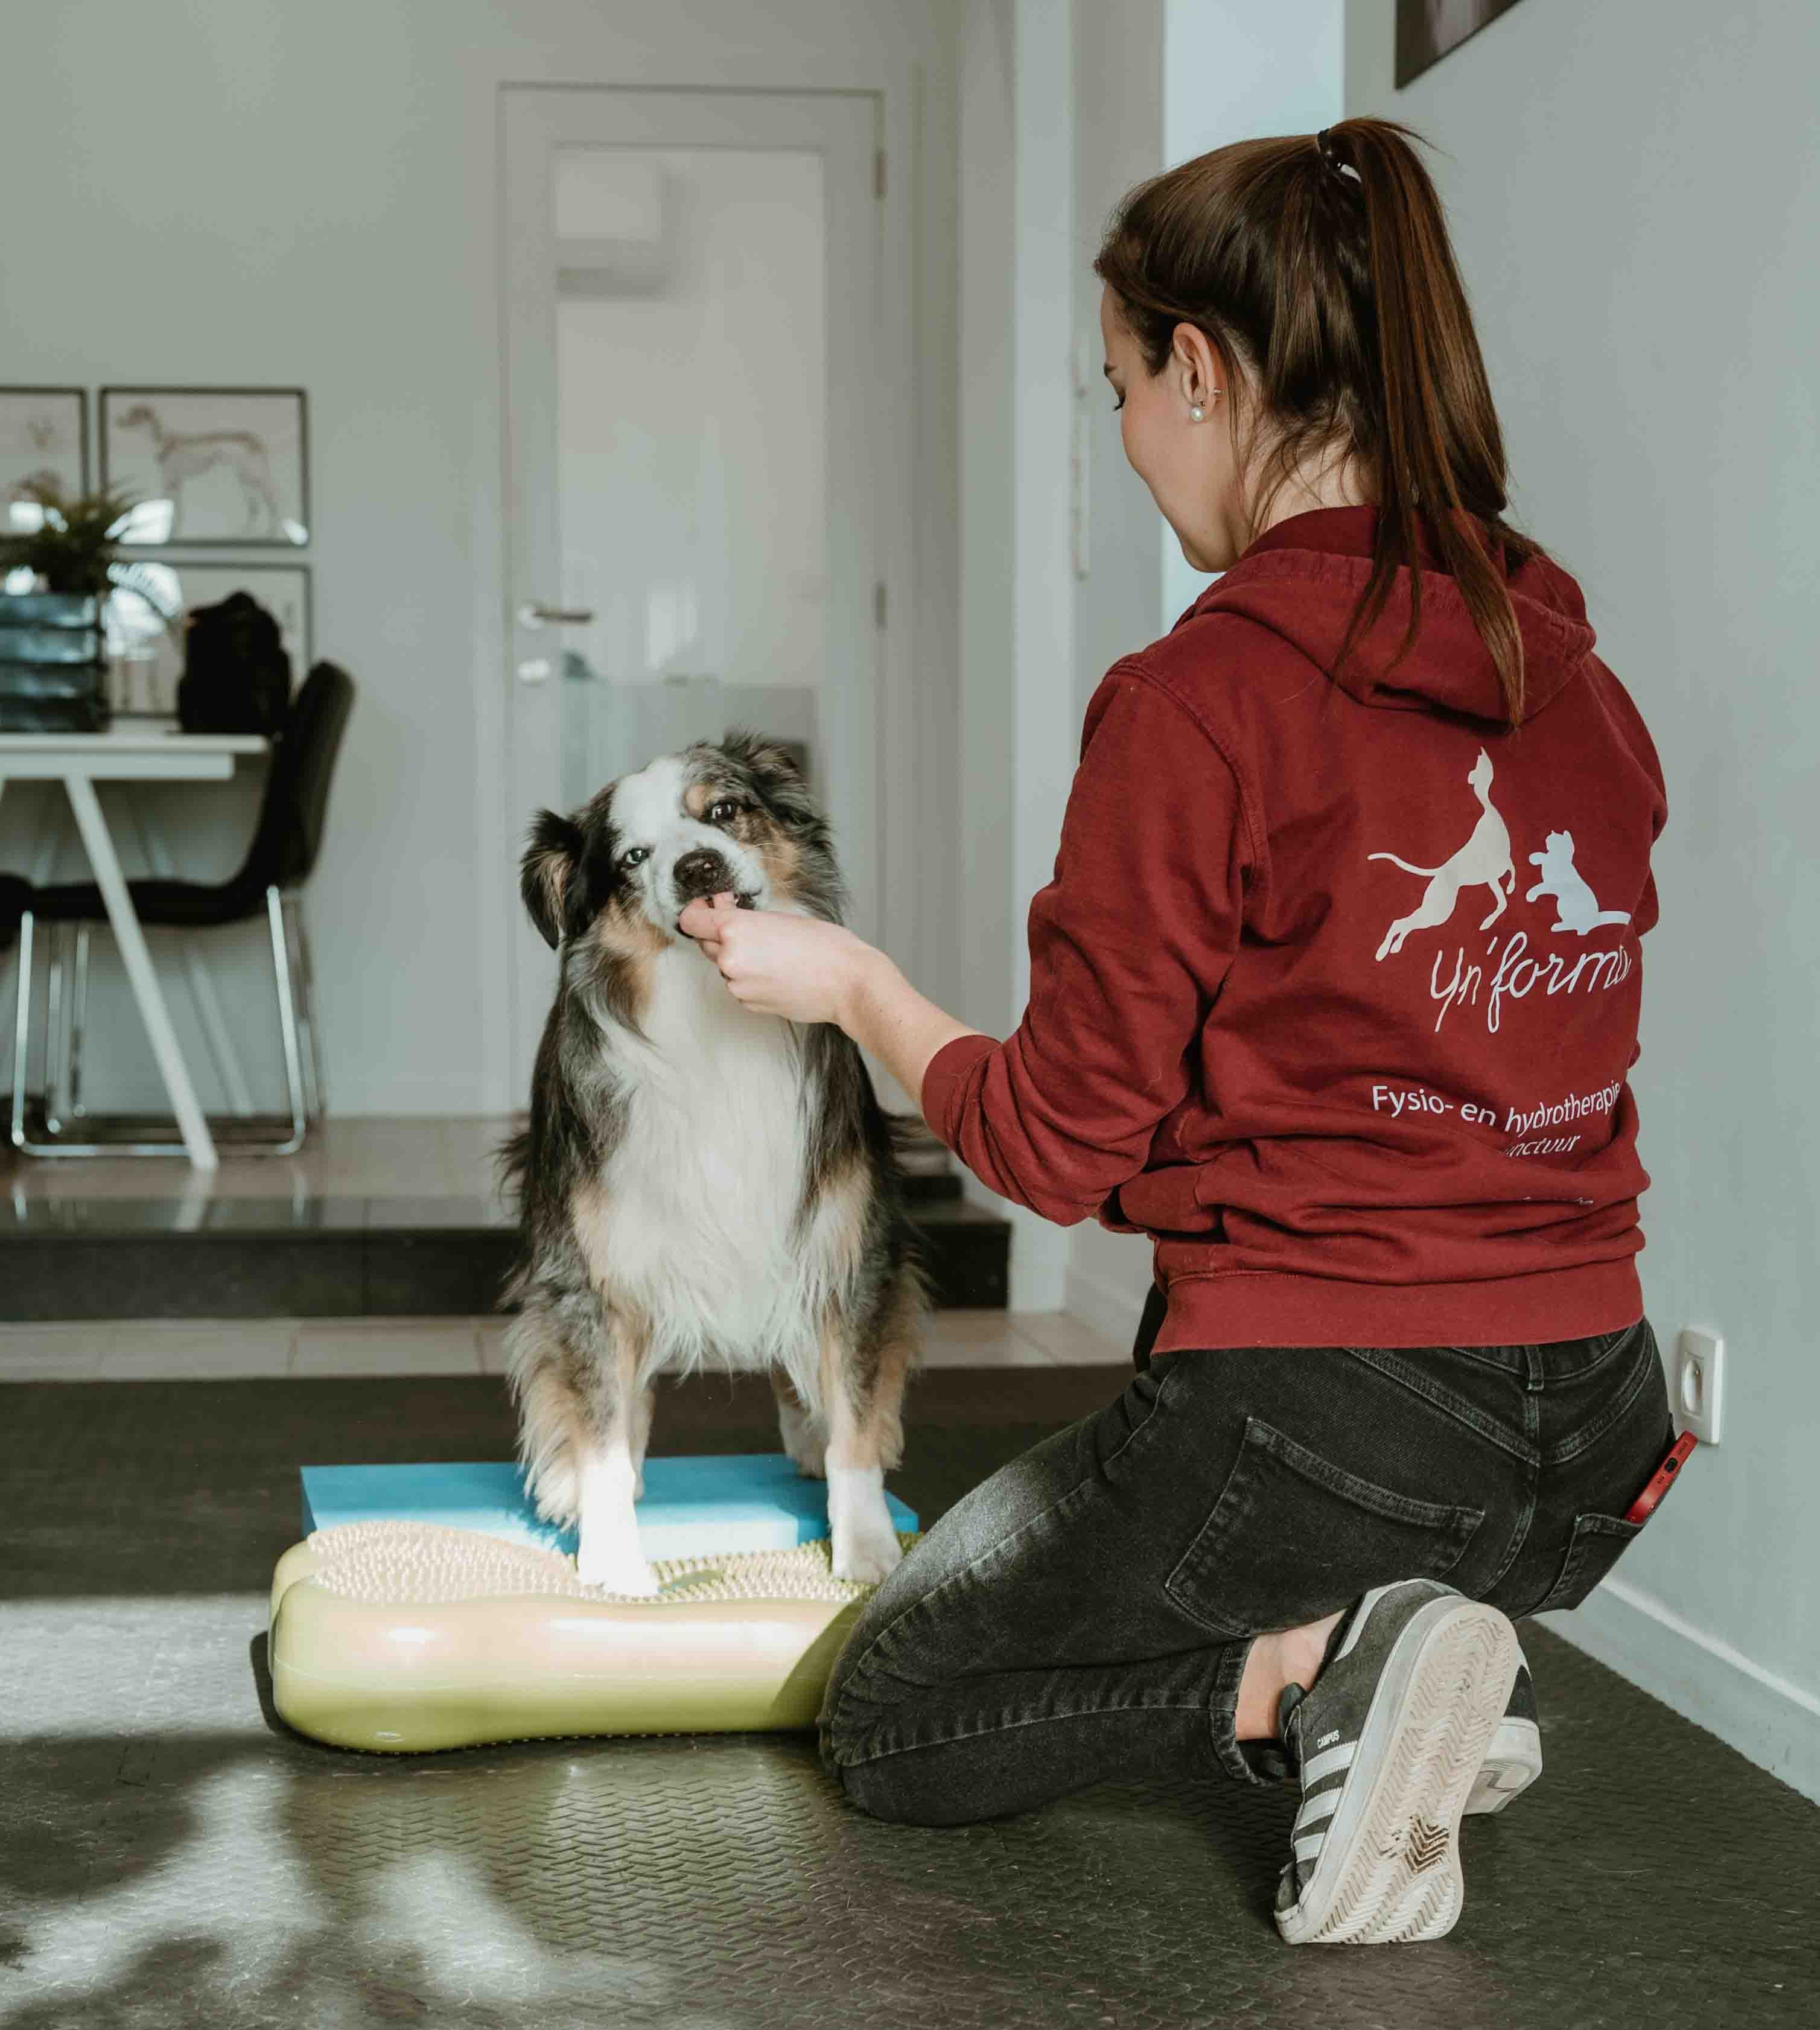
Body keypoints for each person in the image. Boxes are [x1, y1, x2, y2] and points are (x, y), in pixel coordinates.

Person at [678, 116, 1674, 1947]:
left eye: (1121, 385)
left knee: (898, 1704)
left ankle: (1319, 1683)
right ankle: (1430, 1654)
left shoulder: (1200, 698)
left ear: (1199, 373)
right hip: (1595, 1430)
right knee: (1298, 1454)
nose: (1126, 434)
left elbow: (1056, 1148)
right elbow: (1476, 1066)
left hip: (1337, 1416)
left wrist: (861, 990)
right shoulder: (1576, 684)